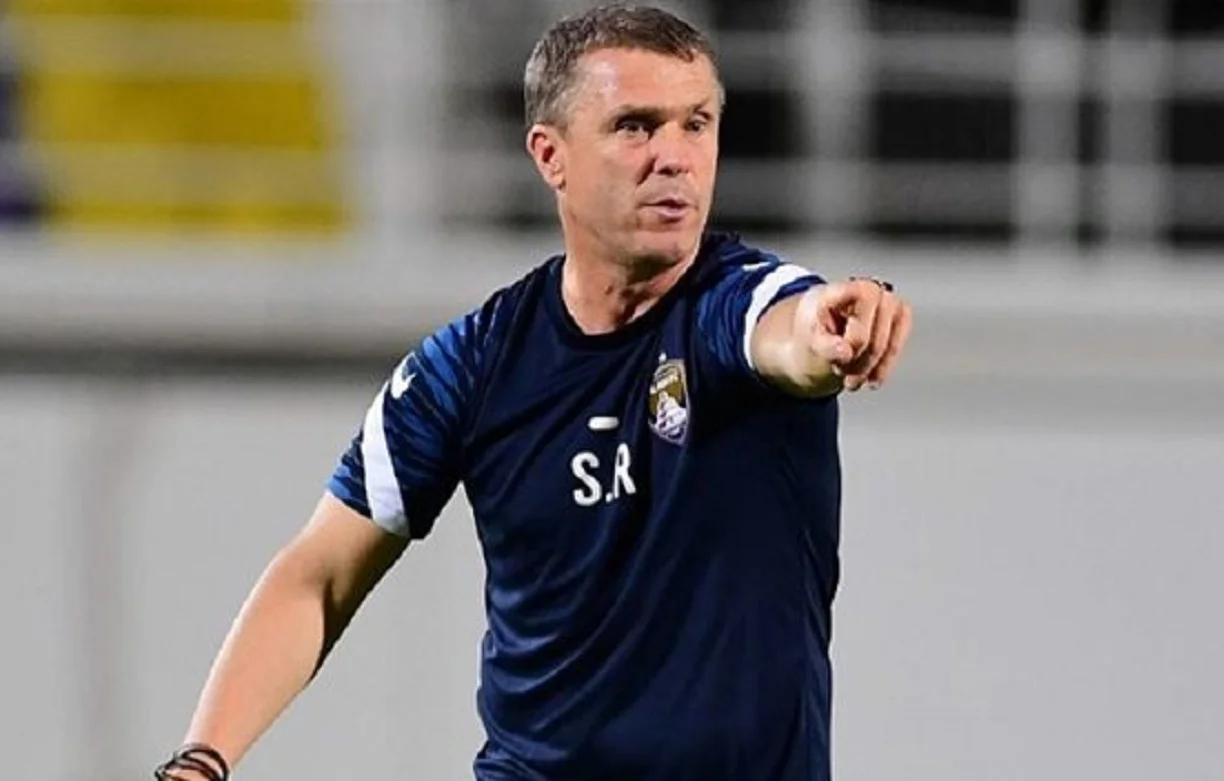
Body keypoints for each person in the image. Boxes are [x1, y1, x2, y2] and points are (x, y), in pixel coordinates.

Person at [152, 4, 913, 781]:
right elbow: (320, 574)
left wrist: (832, 326)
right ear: (551, 155)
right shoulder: (471, 366)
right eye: (635, 126)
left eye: (696, 124)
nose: (675, 158)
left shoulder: (738, 301)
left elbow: (786, 333)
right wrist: (201, 761)